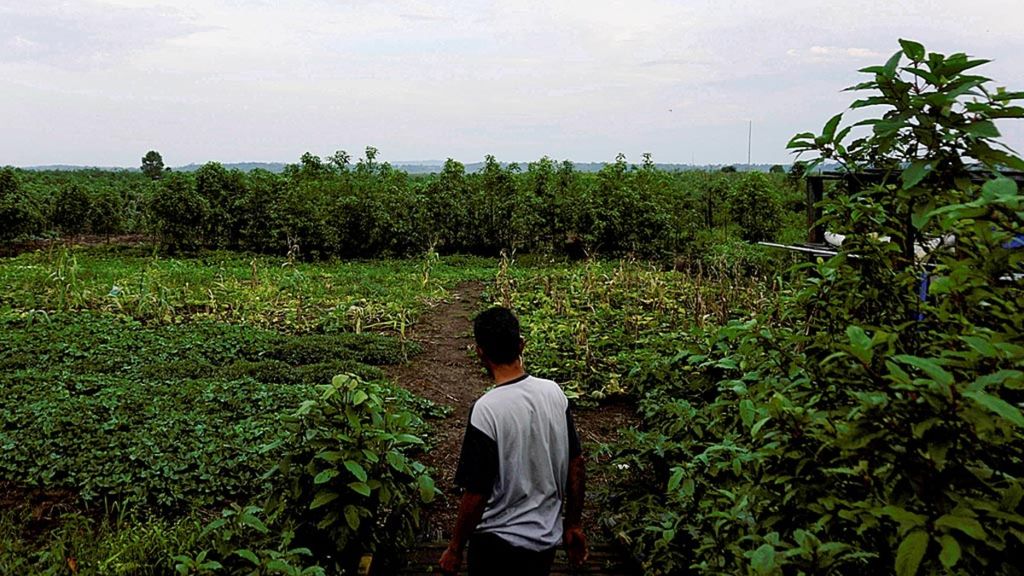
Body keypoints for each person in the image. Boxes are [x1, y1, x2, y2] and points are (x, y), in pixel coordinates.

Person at [438, 306, 588, 575]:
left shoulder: (487, 409)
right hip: (544, 545)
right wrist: (573, 524)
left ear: (479, 351)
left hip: (495, 546)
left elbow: (476, 492)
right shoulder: (554, 393)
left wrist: (456, 547)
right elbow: (576, 464)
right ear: (521, 345)